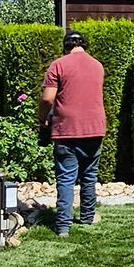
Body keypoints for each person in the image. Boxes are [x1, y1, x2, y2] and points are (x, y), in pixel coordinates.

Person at [41, 29, 108, 237]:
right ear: (84, 45)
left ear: (66, 46)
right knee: (89, 175)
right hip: (95, 128)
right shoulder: (98, 66)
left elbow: (47, 99)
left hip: (67, 130)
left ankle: (63, 227)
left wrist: (42, 119)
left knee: (66, 178)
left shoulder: (58, 65)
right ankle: (87, 217)